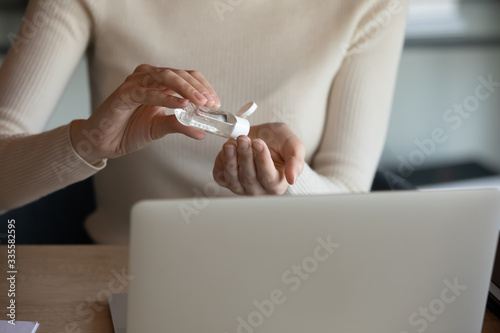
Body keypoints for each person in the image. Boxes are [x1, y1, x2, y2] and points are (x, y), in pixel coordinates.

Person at [0, 0, 407, 244]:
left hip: (294, 277)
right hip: (125, 279)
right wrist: (90, 141)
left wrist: (288, 182)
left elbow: (351, 200)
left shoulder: (371, 6)